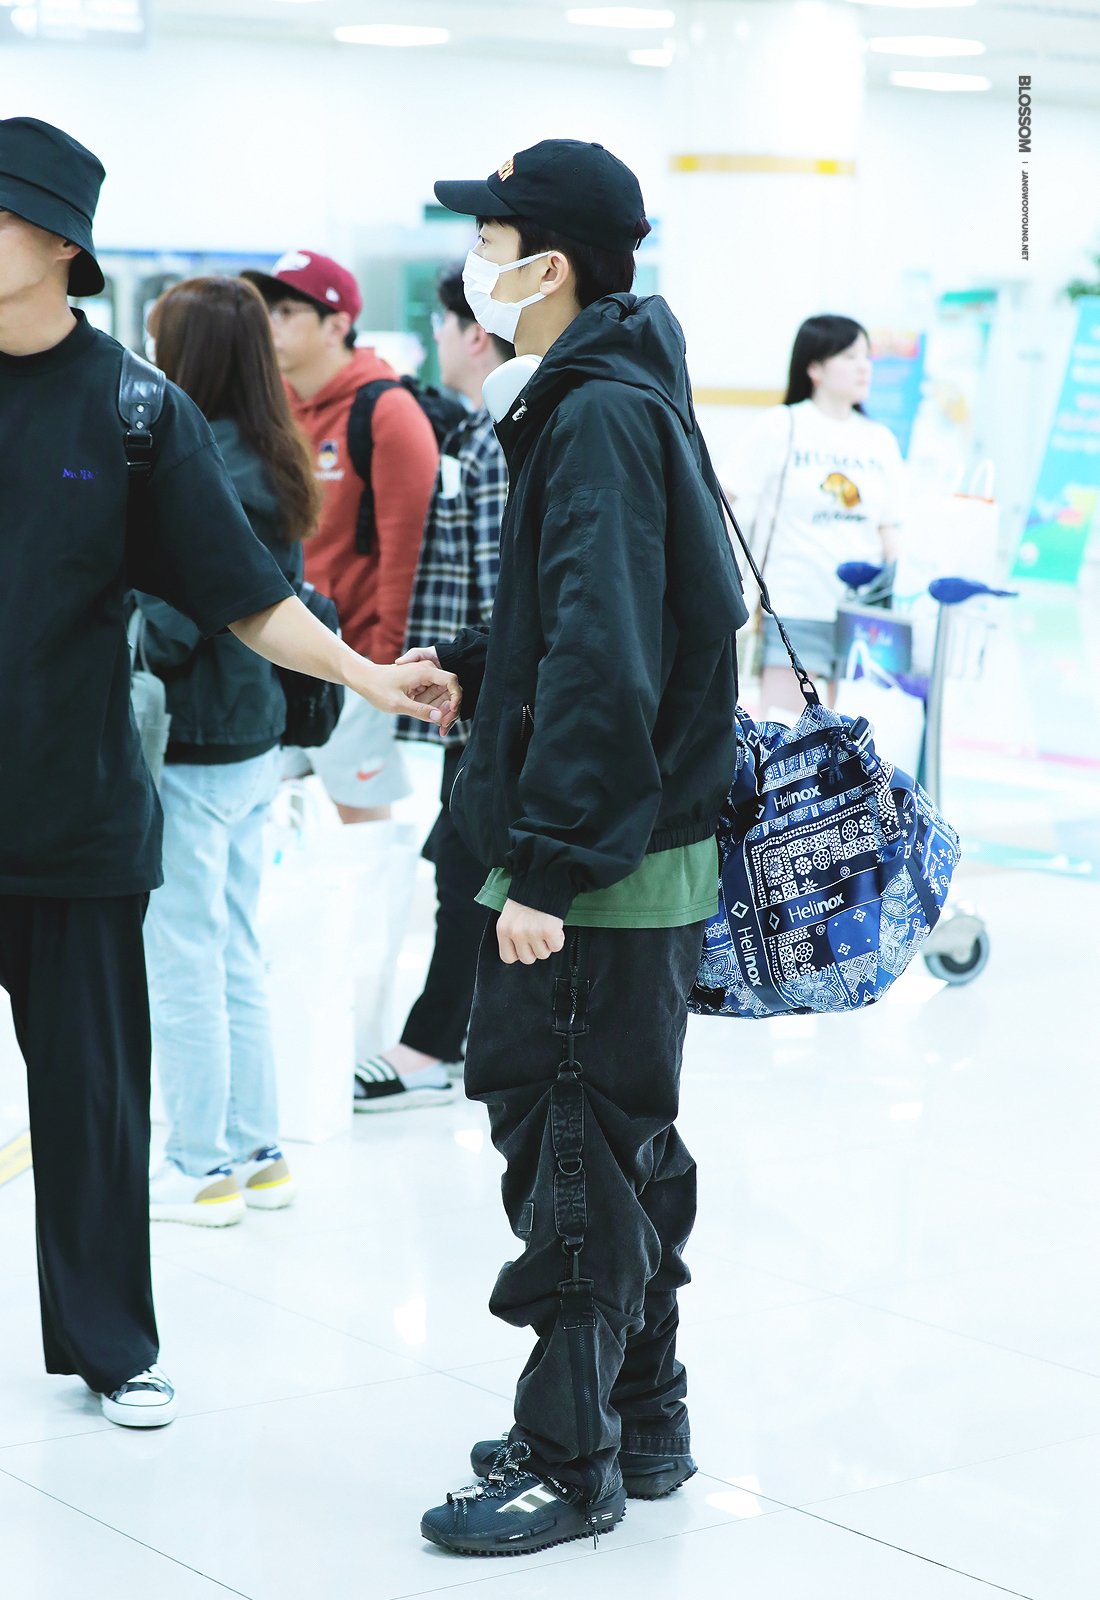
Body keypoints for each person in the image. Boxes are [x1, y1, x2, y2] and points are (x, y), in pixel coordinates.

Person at [0, 119, 458, 1432]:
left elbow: (248, 595)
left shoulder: (135, 410)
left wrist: (365, 673)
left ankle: (111, 1346)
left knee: (93, 1103)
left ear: (61, 244)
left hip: (75, 814)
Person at [413, 140, 748, 1557]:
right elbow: (617, 617)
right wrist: (479, 666)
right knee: (617, 1142)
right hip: (632, 842)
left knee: (565, 1149)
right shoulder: (616, 390)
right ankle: (641, 1414)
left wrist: (544, 867)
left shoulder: (596, 411)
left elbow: (610, 655)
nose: (474, 267)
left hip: (593, 865)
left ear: (547, 266)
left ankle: (568, 1461)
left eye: (491, 241)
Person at [136, 276, 321, 1223]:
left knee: (183, 958)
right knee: (236, 948)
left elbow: (174, 625)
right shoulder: (274, 454)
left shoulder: (199, 464)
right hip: (254, 738)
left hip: (194, 742)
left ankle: (198, 1166)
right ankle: (259, 1153)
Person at [355, 266, 511, 1114]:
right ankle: (445, 1038)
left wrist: (464, 678)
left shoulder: (496, 442)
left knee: (464, 867)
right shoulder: (480, 431)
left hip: (486, 699)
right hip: (476, 692)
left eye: (444, 326)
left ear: (474, 333)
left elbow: (502, 594)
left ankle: (432, 1045)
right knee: (459, 862)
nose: (437, 340)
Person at [242, 252, 439, 821]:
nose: (270, 325)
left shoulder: (387, 411)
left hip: (358, 661)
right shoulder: (273, 408)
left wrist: (381, 668)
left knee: (364, 833)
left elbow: (408, 554)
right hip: (284, 653)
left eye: (286, 311)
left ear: (337, 325)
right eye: (266, 311)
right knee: (269, 824)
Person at [722, 314, 905, 713]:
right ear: (815, 367)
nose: (863, 367)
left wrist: (901, 596)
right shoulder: (781, 425)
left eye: (866, 357)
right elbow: (721, 501)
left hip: (861, 616)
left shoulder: (879, 440)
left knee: (854, 739)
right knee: (786, 736)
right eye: (849, 356)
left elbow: (888, 528)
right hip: (794, 607)